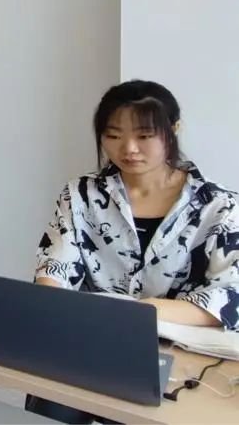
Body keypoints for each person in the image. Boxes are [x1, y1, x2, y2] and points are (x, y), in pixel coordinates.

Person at [30, 80, 239, 423]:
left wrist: (142, 312)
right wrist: (50, 306)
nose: (128, 149)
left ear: (174, 130)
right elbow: (55, 266)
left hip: (180, 360)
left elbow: (230, 295)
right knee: (47, 410)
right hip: (86, 343)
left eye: (144, 136)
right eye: (113, 135)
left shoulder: (219, 205)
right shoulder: (81, 194)